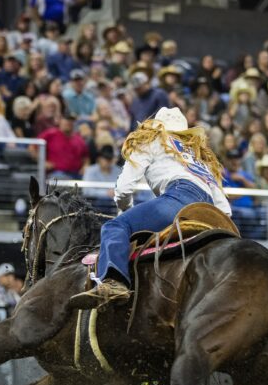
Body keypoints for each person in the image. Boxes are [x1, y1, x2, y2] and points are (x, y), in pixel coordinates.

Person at [70, 108, 231, 308]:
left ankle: (114, 283)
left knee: (114, 227)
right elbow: (225, 209)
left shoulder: (150, 139)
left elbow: (123, 188)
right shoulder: (199, 157)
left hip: (177, 198)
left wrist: (126, 211)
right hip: (208, 212)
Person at [35, 114, 89, 179]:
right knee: (61, 178)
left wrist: (85, 167)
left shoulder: (79, 138)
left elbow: (86, 157)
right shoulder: (51, 133)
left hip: (76, 173)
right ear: (60, 121)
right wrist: (43, 161)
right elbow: (33, 147)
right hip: (57, 172)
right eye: (66, 119)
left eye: (71, 120)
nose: (68, 122)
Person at [82, 145, 122, 214]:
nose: (107, 161)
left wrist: (116, 192)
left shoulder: (118, 170)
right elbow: (86, 191)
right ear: (99, 158)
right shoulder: (90, 171)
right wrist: (106, 193)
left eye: (109, 159)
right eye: (105, 158)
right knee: (103, 201)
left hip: (115, 203)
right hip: (95, 203)